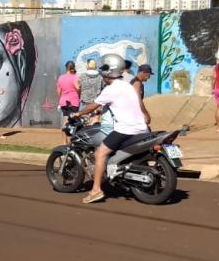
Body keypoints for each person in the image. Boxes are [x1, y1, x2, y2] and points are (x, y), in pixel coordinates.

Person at [73, 54, 149, 204]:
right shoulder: (127, 85)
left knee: (99, 153)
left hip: (125, 130)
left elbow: (92, 106)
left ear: (109, 71)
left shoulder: (110, 89)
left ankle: (95, 190)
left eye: (104, 68)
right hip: (141, 129)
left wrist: (79, 113)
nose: (102, 72)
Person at [56, 61, 81, 140]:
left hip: (63, 102)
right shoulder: (75, 77)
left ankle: (64, 142)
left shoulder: (61, 77)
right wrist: (79, 94)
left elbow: (58, 91)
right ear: (73, 68)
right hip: (73, 102)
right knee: (72, 123)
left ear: (66, 67)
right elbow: (77, 88)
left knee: (65, 121)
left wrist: (60, 100)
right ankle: (70, 143)